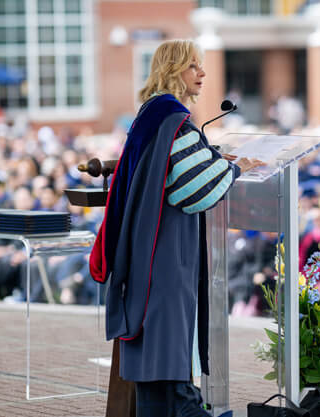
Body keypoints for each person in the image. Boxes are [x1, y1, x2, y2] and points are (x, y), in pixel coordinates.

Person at [89, 39, 262, 417]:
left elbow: (170, 169)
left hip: (145, 246)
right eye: (194, 66)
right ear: (174, 70)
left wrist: (212, 156)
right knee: (169, 344)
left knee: (155, 361)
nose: (202, 73)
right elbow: (191, 190)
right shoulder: (174, 118)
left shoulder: (151, 113)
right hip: (166, 251)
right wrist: (235, 168)